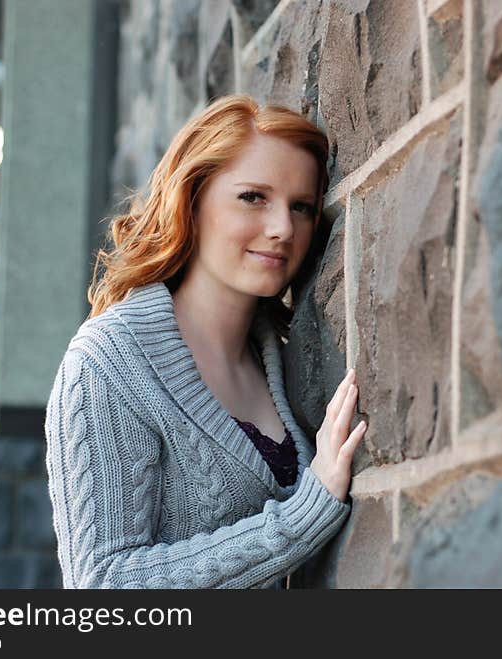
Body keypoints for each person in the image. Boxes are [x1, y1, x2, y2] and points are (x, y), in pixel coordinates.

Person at [44, 94, 368, 589]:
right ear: (191, 202)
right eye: (253, 197)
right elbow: (103, 585)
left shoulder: (280, 359)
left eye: (301, 206)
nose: (282, 228)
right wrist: (306, 513)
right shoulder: (110, 361)